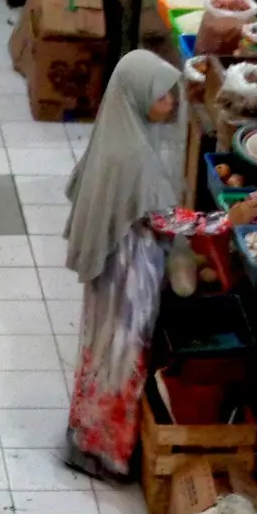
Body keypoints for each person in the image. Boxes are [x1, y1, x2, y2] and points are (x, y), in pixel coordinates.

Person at [61, 50, 181, 480]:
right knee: (124, 353)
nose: (173, 105)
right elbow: (163, 219)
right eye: (164, 97)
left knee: (103, 350)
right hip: (128, 271)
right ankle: (108, 453)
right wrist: (226, 220)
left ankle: (85, 437)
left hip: (110, 267)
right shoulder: (136, 156)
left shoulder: (115, 133)